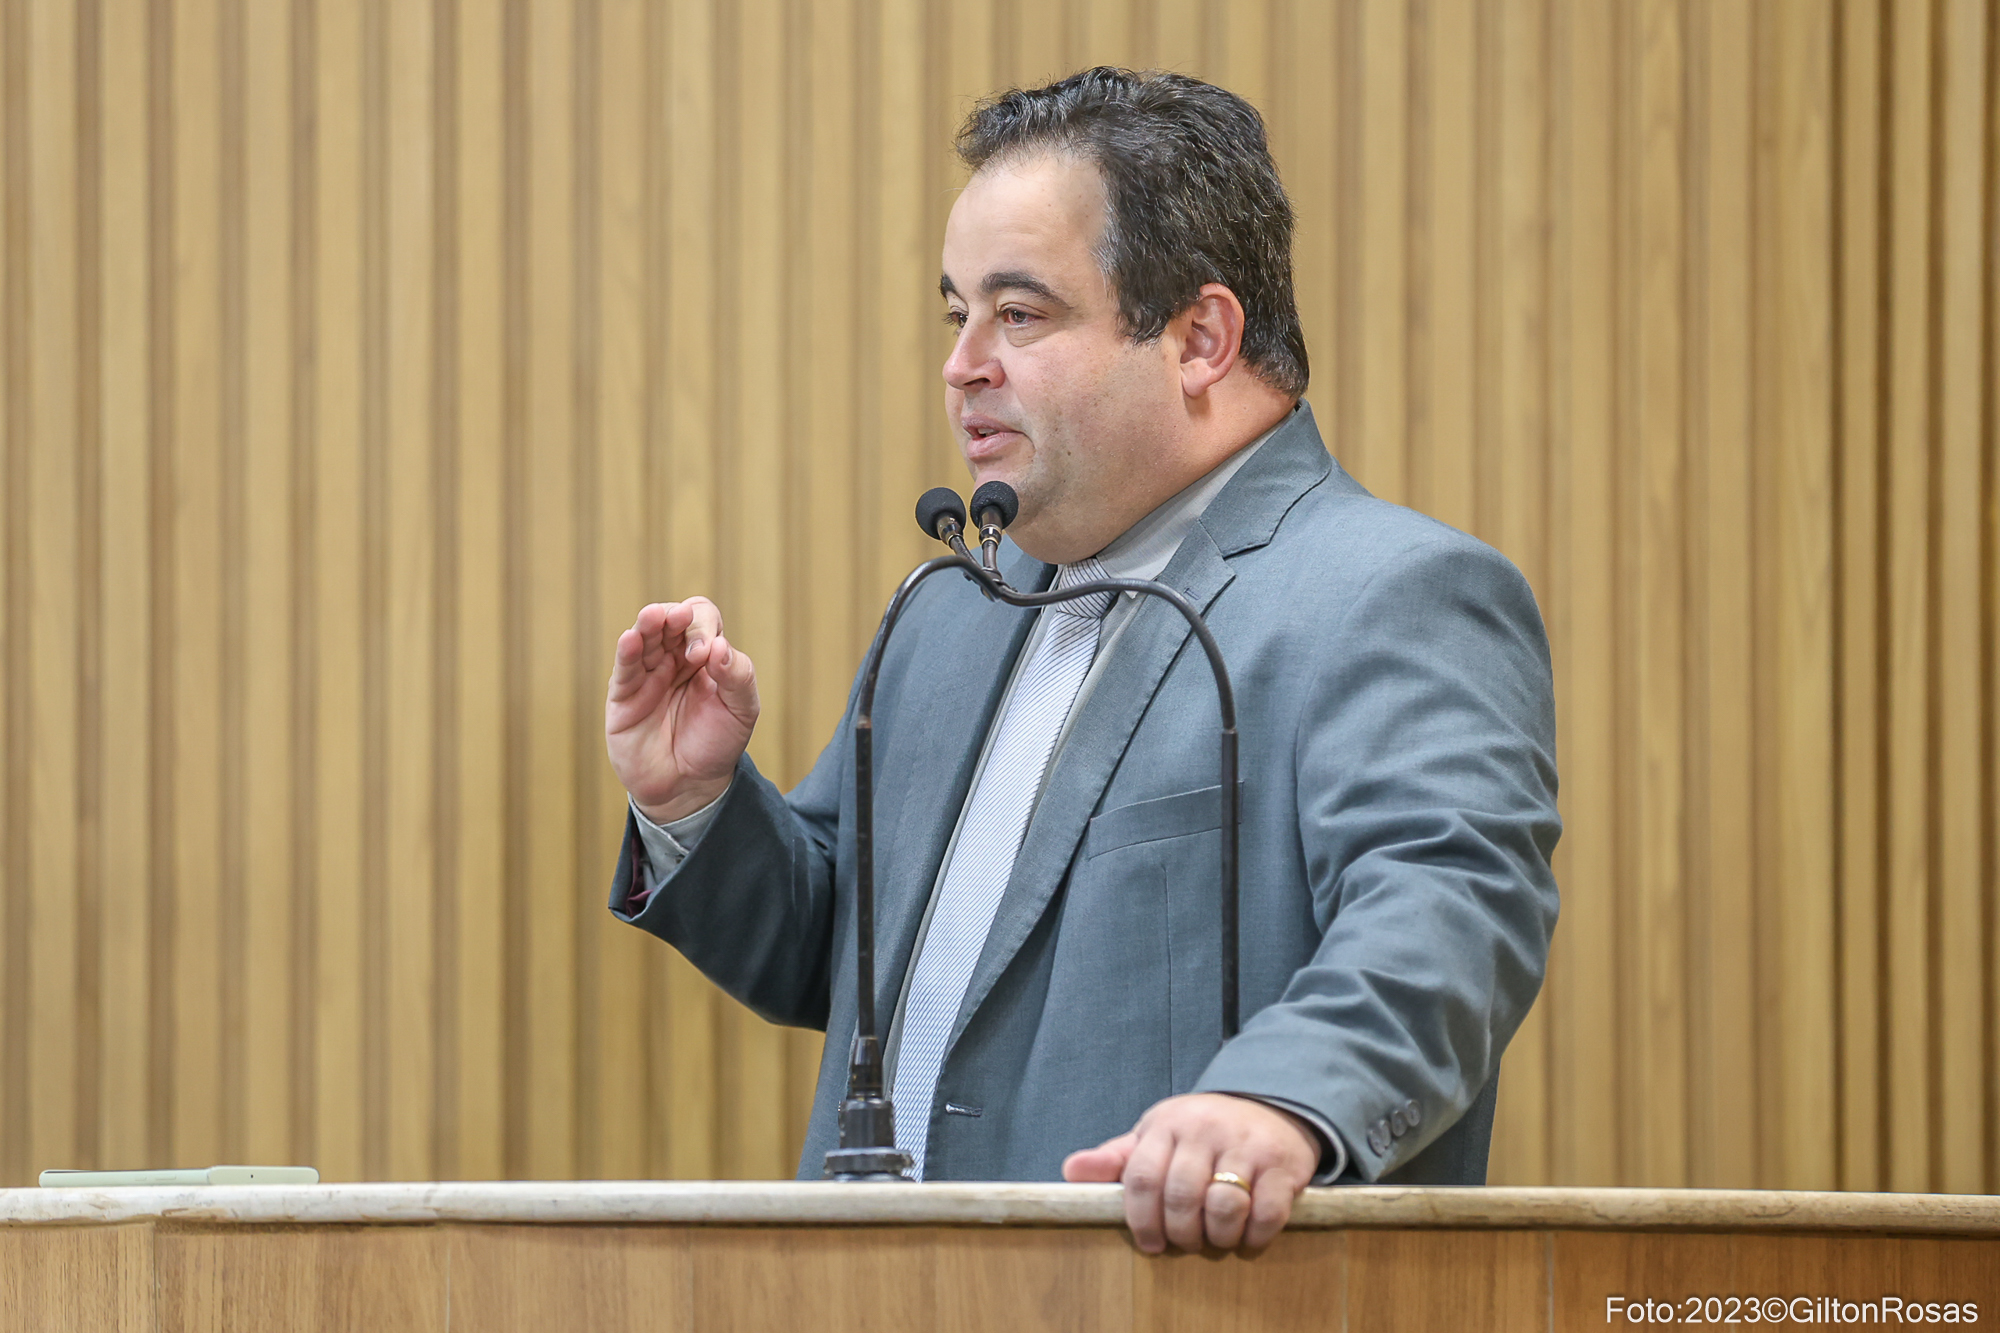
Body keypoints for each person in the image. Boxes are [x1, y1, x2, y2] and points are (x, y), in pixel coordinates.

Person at [603, 67, 1559, 1254]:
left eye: (1018, 314)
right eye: (955, 313)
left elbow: (1447, 908)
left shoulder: (1388, 594)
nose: (961, 363)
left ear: (1199, 338)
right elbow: (835, 956)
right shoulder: (950, 608)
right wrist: (694, 803)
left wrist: (1277, 1100)